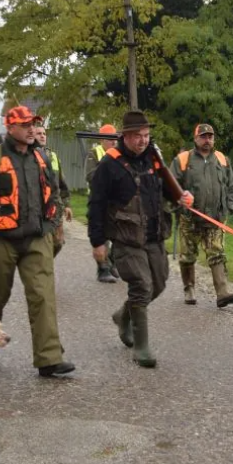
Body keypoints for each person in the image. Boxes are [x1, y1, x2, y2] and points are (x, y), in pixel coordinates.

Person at [0, 105, 76, 378]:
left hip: (37, 238)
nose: (30, 130)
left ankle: (49, 359)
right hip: (0, 240)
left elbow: (54, 195)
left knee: (43, 296)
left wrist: (50, 227)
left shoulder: (42, 158)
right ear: (10, 127)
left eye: (33, 125)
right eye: (25, 125)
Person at [88, 110, 193, 368]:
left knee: (158, 284)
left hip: (154, 234)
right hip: (125, 238)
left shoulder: (153, 159)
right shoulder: (109, 164)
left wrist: (182, 197)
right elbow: (96, 204)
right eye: (138, 136)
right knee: (141, 285)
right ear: (125, 136)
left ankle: (124, 316)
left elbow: (168, 190)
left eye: (146, 135)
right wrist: (97, 242)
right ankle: (141, 346)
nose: (143, 141)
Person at [168, 123, 233, 307]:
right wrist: (179, 202)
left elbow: (232, 185)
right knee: (188, 257)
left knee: (217, 253)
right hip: (189, 219)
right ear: (195, 139)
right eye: (203, 136)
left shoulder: (222, 159)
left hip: (215, 219)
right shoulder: (183, 160)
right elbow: (169, 186)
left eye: (210, 136)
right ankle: (189, 289)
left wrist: (228, 208)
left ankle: (222, 293)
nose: (207, 140)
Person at [86, 123, 119, 283]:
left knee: (121, 235)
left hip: (117, 202)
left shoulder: (120, 154)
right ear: (102, 140)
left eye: (115, 139)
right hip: (99, 202)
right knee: (102, 236)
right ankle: (103, 269)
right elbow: (91, 176)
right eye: (110, 139)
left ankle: (113, 262)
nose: (114, 142)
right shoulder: (94, 153)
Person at [32, 124, 72, 256]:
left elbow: (61, 182)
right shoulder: (29, 156)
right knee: (40, 243)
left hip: (55, 207)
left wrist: (67, 204)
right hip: (37, 209)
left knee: (58, 242)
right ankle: (41, 268)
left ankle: (43, 265)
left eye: (44, 133)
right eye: (39, 133)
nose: (42, 136)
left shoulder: (53, 156)